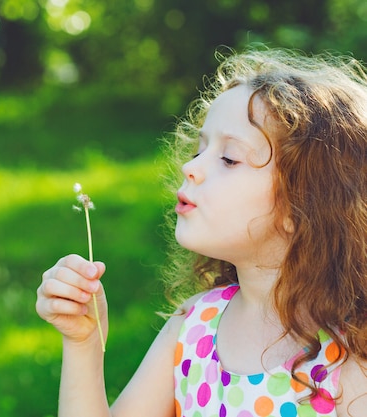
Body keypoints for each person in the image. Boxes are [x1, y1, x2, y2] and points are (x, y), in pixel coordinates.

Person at [35, 48, 367, 417]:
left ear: (305, 203)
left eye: (228, 158)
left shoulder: (348, 358)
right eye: (200, 149)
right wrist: (84, 342)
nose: (190, 166)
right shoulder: (195, 326)